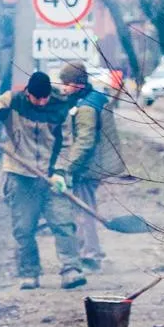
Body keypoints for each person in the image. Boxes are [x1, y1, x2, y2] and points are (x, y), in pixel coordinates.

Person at [0, 70, 86, 289]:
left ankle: (71, 269)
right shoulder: (12, 101)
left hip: (51, 176)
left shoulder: (60, 107)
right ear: (27, 93)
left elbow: (66, 144)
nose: (41, 102)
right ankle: (29, 273)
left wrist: (60, 172)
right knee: (24, 228)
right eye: (36, 98)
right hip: (20, 175)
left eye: (44, 98)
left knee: (63, 223)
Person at [52, 63, 127, 269]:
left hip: (88, 167)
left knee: (84, 212)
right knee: (84, 210)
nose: (64, 88)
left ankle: (91, 255)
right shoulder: (95, 97)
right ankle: (87, 251)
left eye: (66, 83)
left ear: (77, 84)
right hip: (94, 164)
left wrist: (68, 167)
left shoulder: (86, 108)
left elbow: (84, 142)